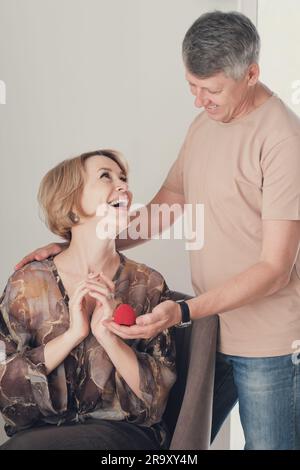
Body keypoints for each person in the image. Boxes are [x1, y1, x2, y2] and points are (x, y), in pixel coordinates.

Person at [15, 11, 300, 450]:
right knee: (179, 447)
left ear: (251, 74)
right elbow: (169, 204)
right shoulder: (205, 124)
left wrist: (184, 313)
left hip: (266, 343)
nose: (199, 101)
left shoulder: (282, 139)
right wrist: (81, 241)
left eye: (211, 90)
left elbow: (276, 268)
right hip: (212, 330)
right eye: (192, 87)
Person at [0, 150, 177, 450]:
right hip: (37, 437)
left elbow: (158, 401)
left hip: (123, 438)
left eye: (124, 179)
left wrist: (108, 337)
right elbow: (6, 389)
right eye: (106, 176)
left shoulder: (148, 285)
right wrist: (73, 335)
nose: (124, 186)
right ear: (71, 205)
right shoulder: (26, 284)